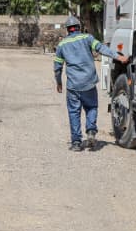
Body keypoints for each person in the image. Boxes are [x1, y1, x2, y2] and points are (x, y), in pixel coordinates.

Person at [53, 15, 128, 151]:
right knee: (91, 107)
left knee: (74, 112)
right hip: (89, 83)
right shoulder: (87, 38)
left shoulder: (62, 45)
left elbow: (57, 67)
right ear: (79, 27)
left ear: (68, 29)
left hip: (73, 86)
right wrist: (118, 56)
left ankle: (76, 143)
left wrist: (59, 82)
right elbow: (101, 48)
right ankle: (91, 131)